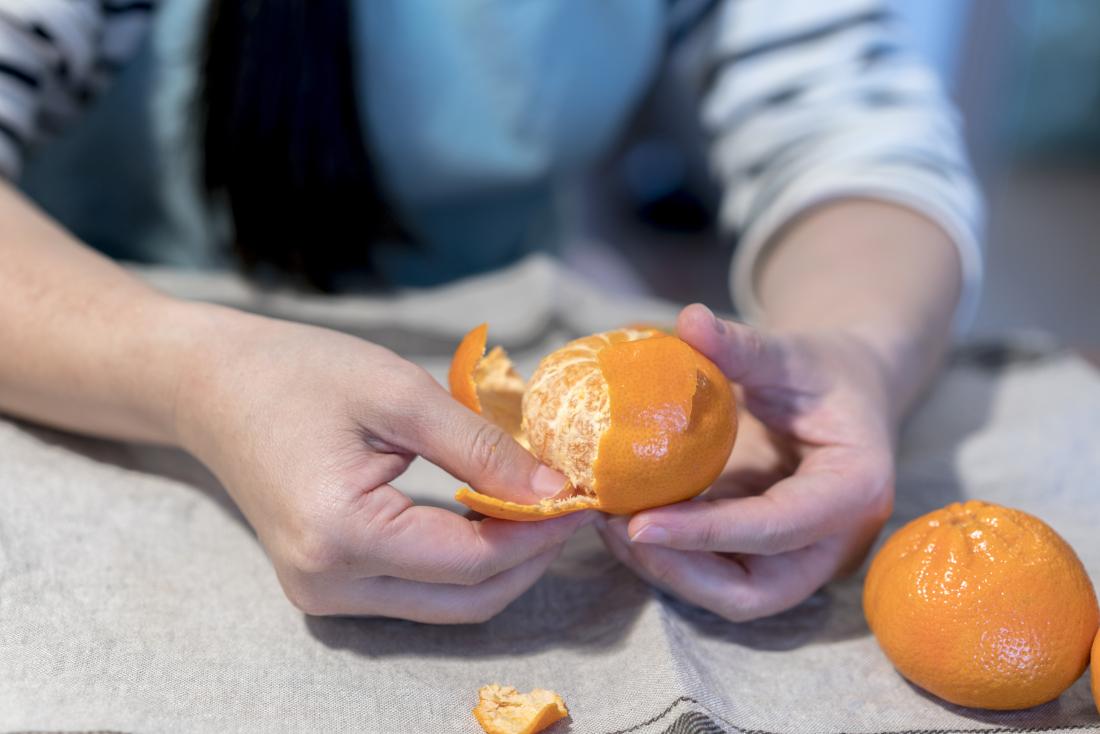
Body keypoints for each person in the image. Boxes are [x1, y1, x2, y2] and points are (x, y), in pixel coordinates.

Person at [0, 0, 981, 624]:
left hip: (520, 297)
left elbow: (850, 130)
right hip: (88, 327)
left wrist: (856, 344)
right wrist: (188, 373)